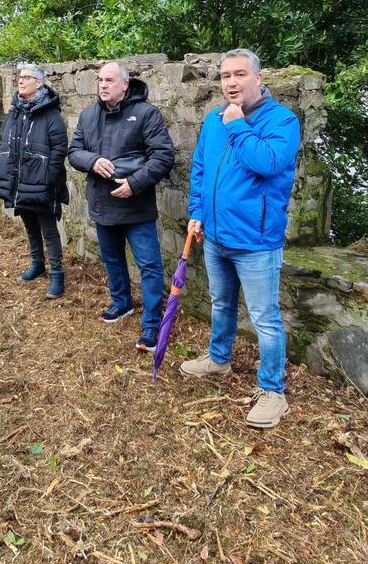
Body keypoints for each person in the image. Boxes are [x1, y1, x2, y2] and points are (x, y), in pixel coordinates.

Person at [180, 48, 300, 430]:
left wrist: (237, 125)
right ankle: (219, 359)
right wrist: (197, 212)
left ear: (259, 78)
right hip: (215, 234)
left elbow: (266, 162)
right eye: (225, 76)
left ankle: (272, 391)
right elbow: (200, 168)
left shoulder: (282, 120)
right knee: (221, 303)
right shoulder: (214, 120)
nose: (231, 82)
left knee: (265, 318)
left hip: (256, 240)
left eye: (240, 75)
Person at [68, 61, 175, 349]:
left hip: (136, 207)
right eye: (100, 80)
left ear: (125, 85)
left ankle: (151, 324)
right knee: (112, 260)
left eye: (110, 80)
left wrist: (134, 184)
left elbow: (164, 156)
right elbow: (74, 151)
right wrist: (92, 161)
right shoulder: (89, 115)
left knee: (149, 266)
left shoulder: (145, 113)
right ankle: (122, 302)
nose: (103, 85)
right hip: (102, 204)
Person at [0, 63, 69, 298]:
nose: (21, 80)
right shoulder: (16, 111)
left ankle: (57, 275)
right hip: (19, 181)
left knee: (48, 229)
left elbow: (59, 149)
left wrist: (47, 178)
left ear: (39, 83)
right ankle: (37, 264)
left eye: (27, 77)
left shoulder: (50, 114)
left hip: (42, 182)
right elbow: (6, 144)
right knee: (29, 225)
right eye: (20, 76)